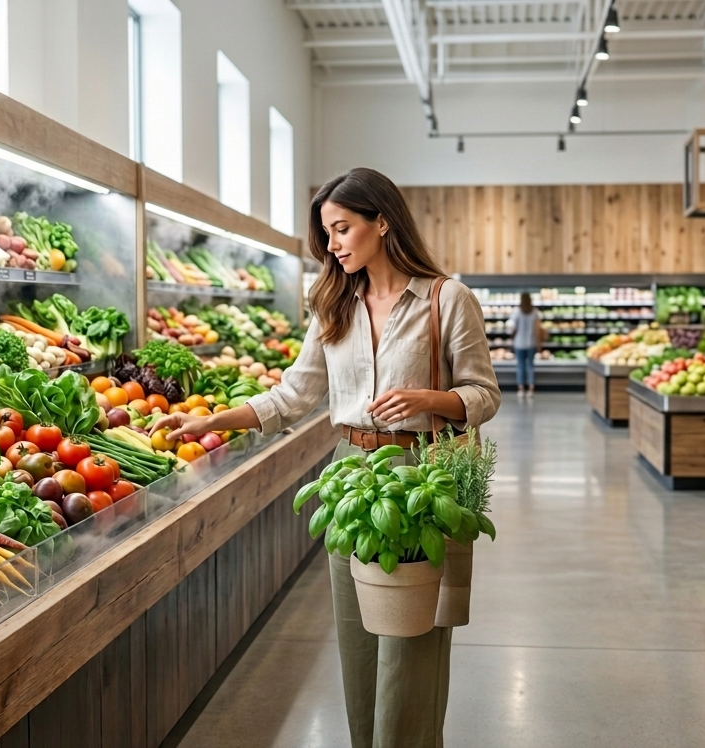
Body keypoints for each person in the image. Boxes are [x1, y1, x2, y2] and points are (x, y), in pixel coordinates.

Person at [158, 167, 500, 748]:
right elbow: (293, 395)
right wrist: (211, 420)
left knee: (409, 640)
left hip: (420, 475)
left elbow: (484, 395)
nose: (333, 245)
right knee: (359, 638)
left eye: (342, 229)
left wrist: (430, 398)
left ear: (382, 221)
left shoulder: (446, 298)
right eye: (327, 234)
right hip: (349, 479)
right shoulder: (332, 306)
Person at [507, 293, 541, 398]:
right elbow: (537, 330)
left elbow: (511, 326)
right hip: (531, 342)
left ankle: (521, 389)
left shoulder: (517, 311)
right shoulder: (535, 312)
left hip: (519, 343)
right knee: (530, 365)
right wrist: (539, 343)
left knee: (520, 366)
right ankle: (531, 389)